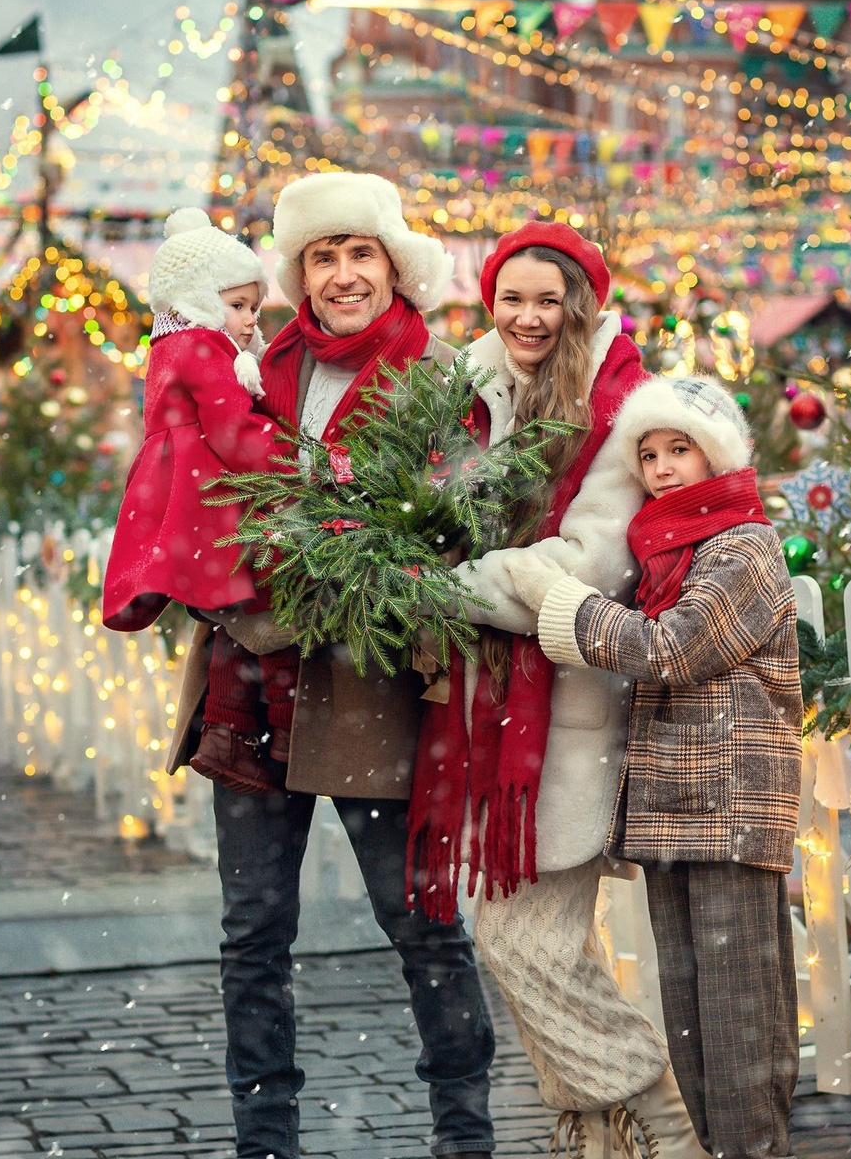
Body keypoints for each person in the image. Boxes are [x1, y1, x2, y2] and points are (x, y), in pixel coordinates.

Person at [164, 172, 496, 1159]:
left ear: (392, 264)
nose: (344, 275)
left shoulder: (436, 376)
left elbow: (466, 521)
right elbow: (194, 487)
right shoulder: (252, 367)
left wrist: (385, 553)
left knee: (420, 920)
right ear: (298, 273)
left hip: (372, 682)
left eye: (360, 253)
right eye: (323, 256)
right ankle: (264, 1137)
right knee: (253, 929)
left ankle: (463, 1134)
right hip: (250, 676)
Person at [407, 220, 701, 1159]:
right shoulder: (468, 388)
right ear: (489, 300)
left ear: (583, 305)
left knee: (519, 945)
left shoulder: (618, 407)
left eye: (549, 300)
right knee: (541, 947)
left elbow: (590, 568)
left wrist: (445, 584)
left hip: (571, 709)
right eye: (513, 299)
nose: (530, 318)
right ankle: (598, 1136)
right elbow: (431, 511)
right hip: (487, 706)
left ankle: (663, 1117)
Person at [506, 375, 804, 1159]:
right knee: (691, 1012)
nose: (664, 468)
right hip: (676, 808)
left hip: (729, 805)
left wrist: (564, 604)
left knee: (741, 1016)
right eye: (649, 454)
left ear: (717, 454)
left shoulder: (743, 547)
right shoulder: (668, 548)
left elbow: (675, 648)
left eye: (681, 449)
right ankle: (708, 1145)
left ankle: (752, 1149)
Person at [102, 207, 290, 791]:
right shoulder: (205, 346)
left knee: (224, 603)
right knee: (258, 588)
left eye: (254, 307)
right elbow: (234, 432)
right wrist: (296, 456)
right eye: (237, 305)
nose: (250, 319)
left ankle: (236, 730)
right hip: (205, 486)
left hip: (175, 481)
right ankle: (276, 723)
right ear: (199, 299)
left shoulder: (167, 344)